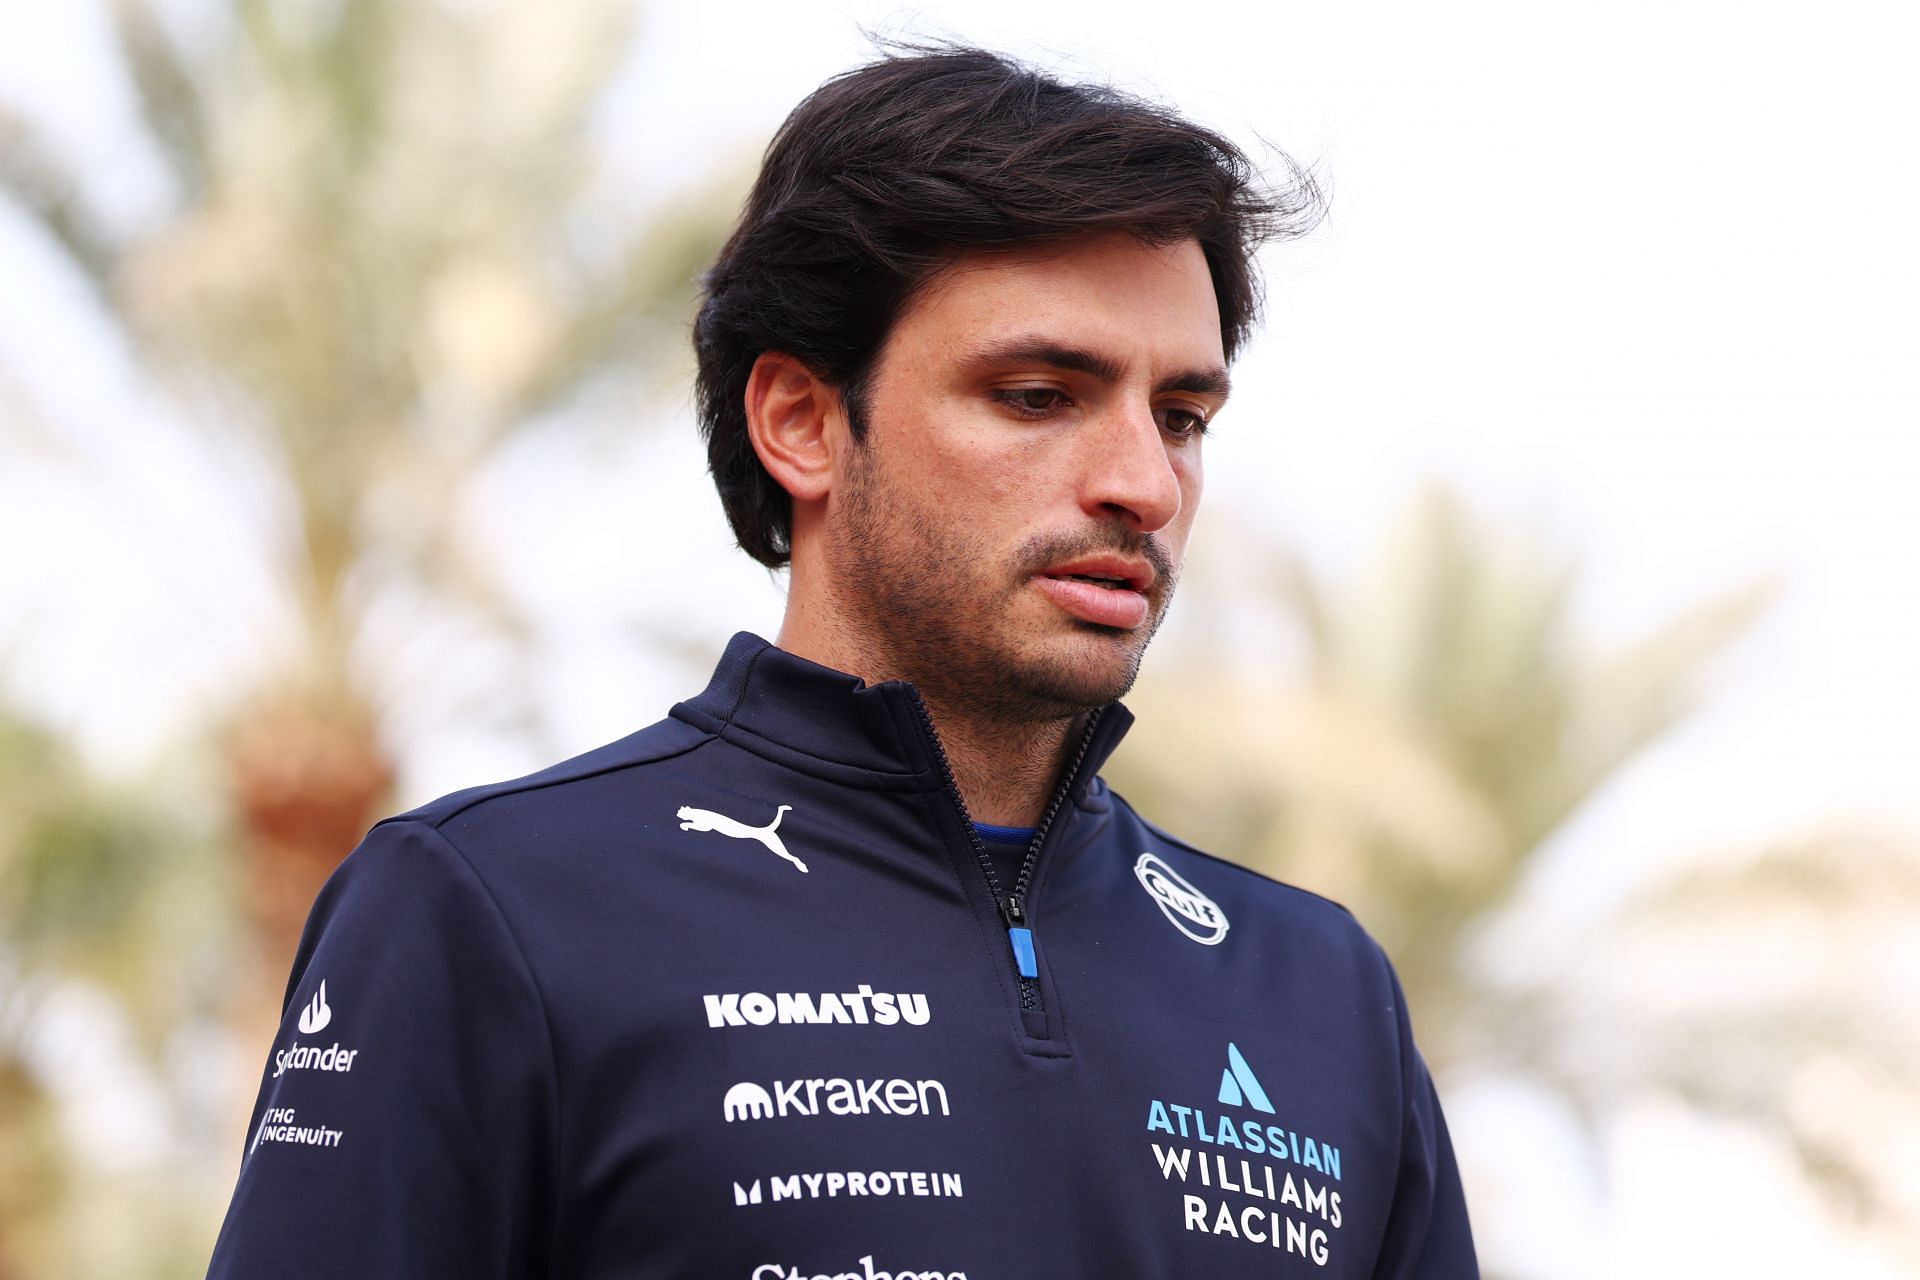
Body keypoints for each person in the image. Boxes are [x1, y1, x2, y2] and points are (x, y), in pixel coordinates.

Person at [207, 45, 1477, 1279]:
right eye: (1038, 394)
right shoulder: (488, 909)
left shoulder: (1320, 989)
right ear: (803, 421)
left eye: (1182, 416)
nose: (1142, 482)